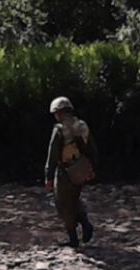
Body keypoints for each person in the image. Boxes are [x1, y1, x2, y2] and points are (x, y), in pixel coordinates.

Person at [45, 97, 98, 248]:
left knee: (63, 203)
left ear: (59, 113)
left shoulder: (59, 129)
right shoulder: (82, 125)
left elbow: (53, 155)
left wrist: (48, 176)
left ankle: (73, 239)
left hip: (65, 171)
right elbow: (92, 149)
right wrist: (92, 168)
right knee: (75, 198)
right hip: (81, 169)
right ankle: (85, 224)